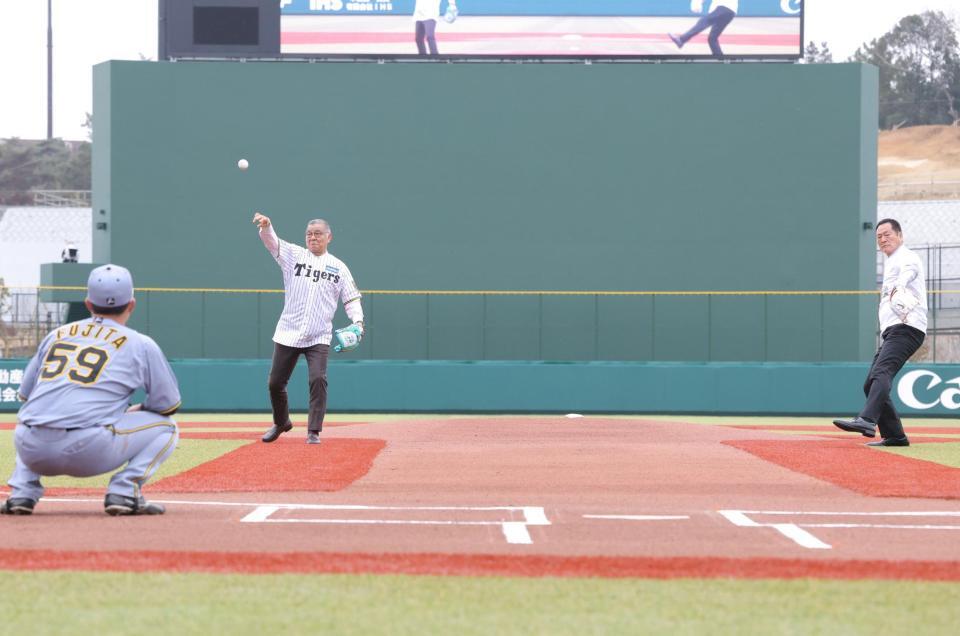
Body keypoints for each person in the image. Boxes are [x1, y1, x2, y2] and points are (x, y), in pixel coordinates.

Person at [2, 264, 181, 516]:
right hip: (88, 452)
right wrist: (137, 408)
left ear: (87, 303)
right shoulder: (141, 343)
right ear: (132, 304)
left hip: (31, 449)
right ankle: (124, 490)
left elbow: (26, 395)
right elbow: (168, 405)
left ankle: (21, 493)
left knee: (36, 412)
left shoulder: (57, 335)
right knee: (168, 426)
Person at [253, 212, 364, 445]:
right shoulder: (294, 255)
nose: (313, 238)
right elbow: (273, 243)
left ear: (329, 237)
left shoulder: (339, 268)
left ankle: (313, 430)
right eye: (309, 234)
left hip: (319, 335)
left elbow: (351, 299)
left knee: (317, 379)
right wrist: (267, 227)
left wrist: (358, 323)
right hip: (288, 331)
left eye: (318, 234)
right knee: (275, 383)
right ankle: (281, 422)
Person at [833, 219, 927, 447]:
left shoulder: (907, 257)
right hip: (895, 329)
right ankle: (895, 435)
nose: (883, 239)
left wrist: (901, 286)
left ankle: (866, 419)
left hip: (907, 327)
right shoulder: (892, 260)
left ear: (900, 235)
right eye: (879, 236)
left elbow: (910, 271)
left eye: (888, 234)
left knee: (882, 372)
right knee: (870, 383)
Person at [668, 0, 738, 58]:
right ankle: (721, 60)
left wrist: (697, 2)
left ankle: (682, 39)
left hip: (724, 7)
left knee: (704, 21)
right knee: (712, 38)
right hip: (731, 12)